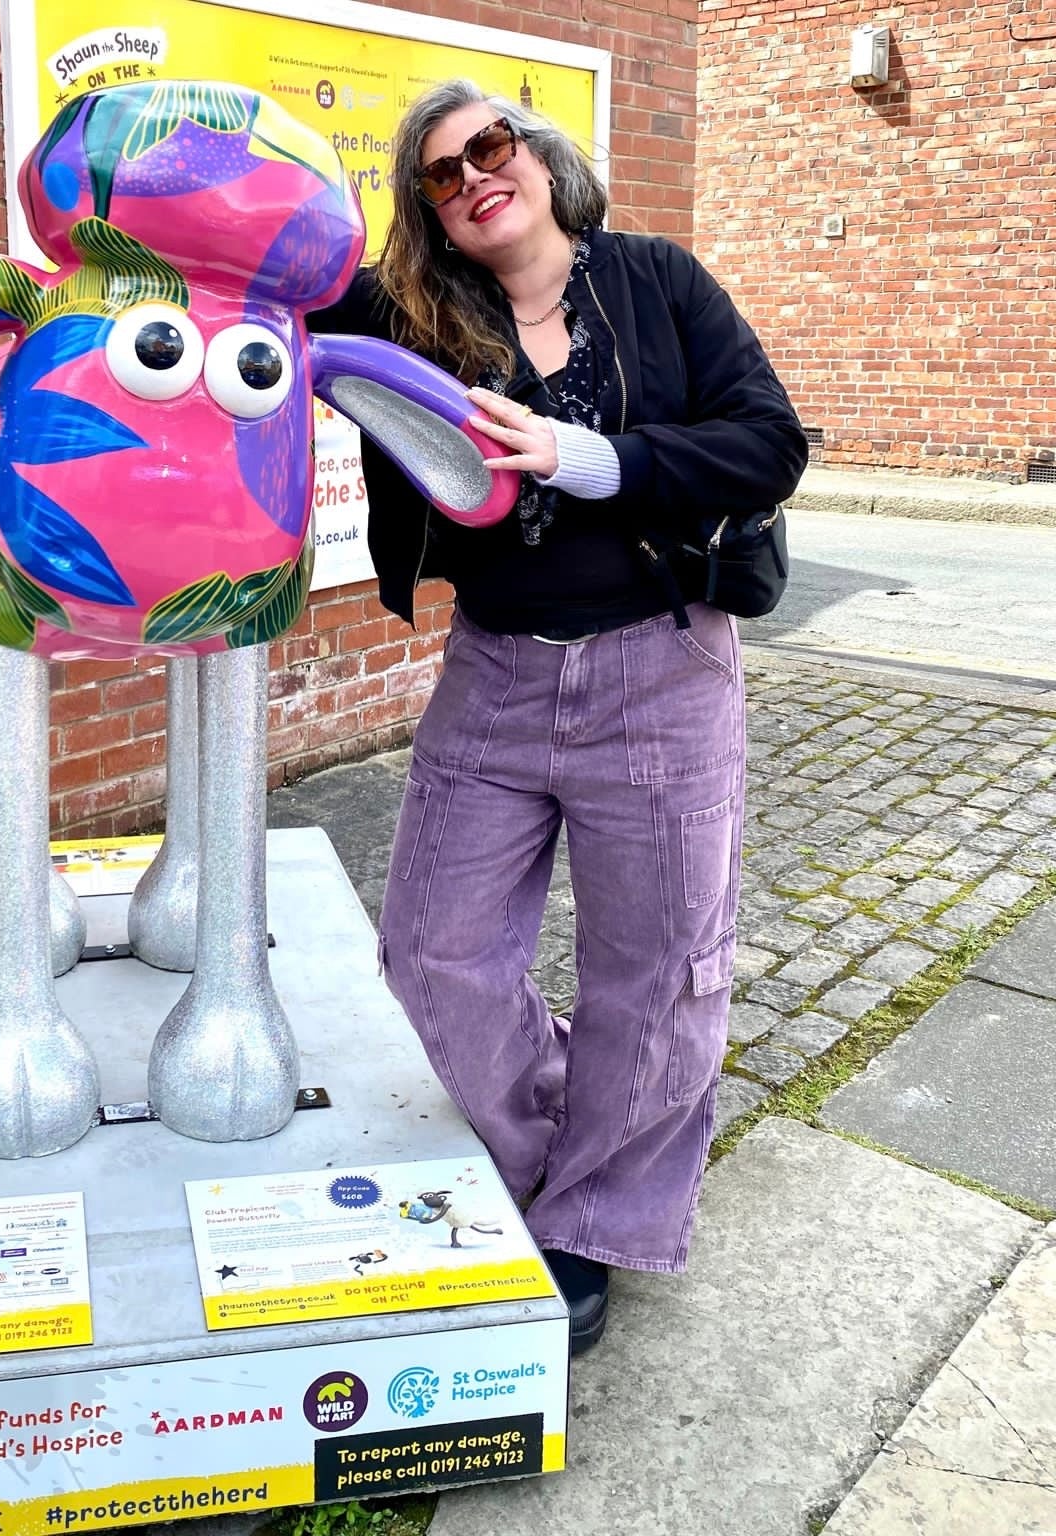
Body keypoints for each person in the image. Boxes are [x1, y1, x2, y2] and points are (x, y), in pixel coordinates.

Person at [307, 80, 807, 1354]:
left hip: (660, 667)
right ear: (430, 213)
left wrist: (606, 464)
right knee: (432, 958)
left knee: (661, 971)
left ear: (536, 154)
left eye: (491, 145)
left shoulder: (657, 281)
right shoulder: (415, 316)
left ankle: (592, 1222)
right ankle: (547, 1146)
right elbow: (291, 277)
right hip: (497, 675)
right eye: (440, 173)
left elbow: (767, 443)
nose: (476, 173)